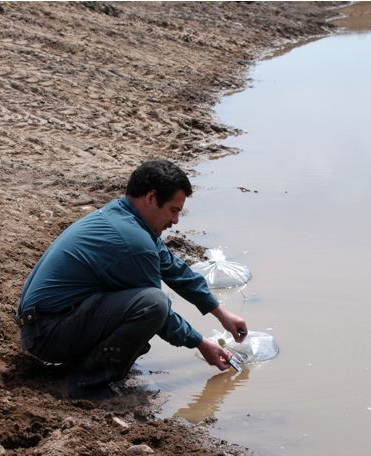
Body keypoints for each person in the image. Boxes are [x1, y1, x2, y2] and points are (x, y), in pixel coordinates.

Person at [15, 159, 248, 398]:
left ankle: (89, 365)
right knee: (153, 304)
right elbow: (158, 312)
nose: (176, 221)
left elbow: (176, 270)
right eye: (173, 210)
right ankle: (86, 384)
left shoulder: (125, 217)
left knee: (148, 304)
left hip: (45, 323)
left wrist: (220, 313)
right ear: (150, 198)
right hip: (48, 334)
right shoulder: (132, 241)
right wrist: (200, 343)